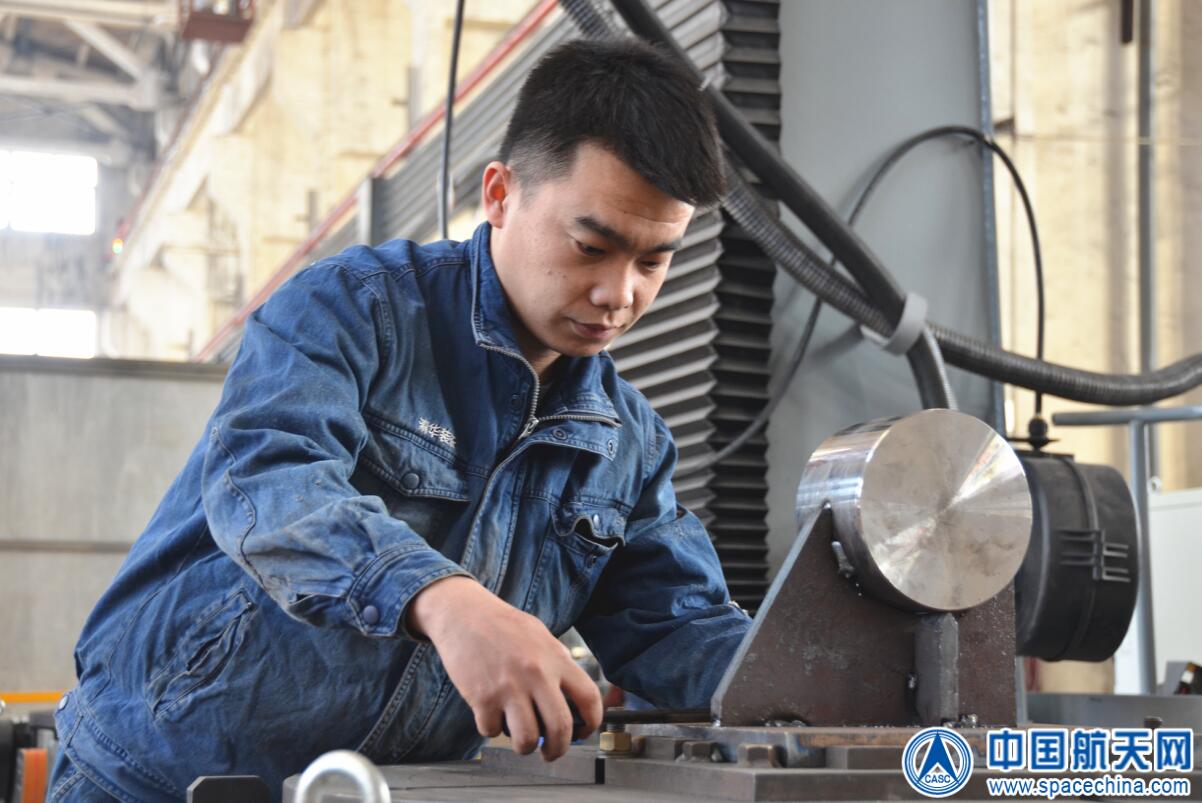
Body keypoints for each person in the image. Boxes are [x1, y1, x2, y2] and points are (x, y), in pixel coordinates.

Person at [47, 38, 752, 803]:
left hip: (376, 792)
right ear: (499, 194)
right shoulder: (351, 312)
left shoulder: (627, 445)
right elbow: (270, 483)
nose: (620, 293)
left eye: (653, 261)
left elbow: (677, 627)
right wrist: (446, 601)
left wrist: (813, 674)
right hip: (156, 776)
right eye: (592, 246)